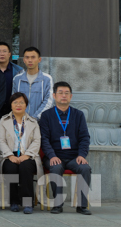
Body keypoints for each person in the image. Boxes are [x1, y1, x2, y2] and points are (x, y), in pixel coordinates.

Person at [39, 81, 92, 215]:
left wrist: (81, 155)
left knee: (85, 168)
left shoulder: (78, 115)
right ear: (54, 95)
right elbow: (44, 139)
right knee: (56, 167)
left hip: (74, 157)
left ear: (71, 96)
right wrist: (52, 156)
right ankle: (58, 205)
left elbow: (85, 137)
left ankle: (82, 206)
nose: (64, 96)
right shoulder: (46, 116)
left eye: (67, 93)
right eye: (60, 93)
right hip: (54, 156)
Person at [0, 92, 42, 214]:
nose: (18, 105)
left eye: (21, 102)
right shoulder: (4, 120)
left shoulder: (33, 122)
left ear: (26, 105)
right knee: (10, 168)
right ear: (11, 105)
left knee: (25, 167)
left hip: (29, 155)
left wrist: (27, 155)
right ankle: (14, 202)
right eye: (15, 102)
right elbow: (1, 141)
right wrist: (10, 155)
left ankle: (28, 203)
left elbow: (37, 141)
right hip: (9, 155)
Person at [12, 47, 53, 120]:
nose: (30, 60)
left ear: (39, 59)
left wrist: (34, 118)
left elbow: (48, 102)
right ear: (24, 60)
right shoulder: (17, 79)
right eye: (27, 57)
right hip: (21, 120)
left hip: (40, 121)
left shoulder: (47, 79)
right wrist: (22, 117)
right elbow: (14, 100)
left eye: (33, 57)